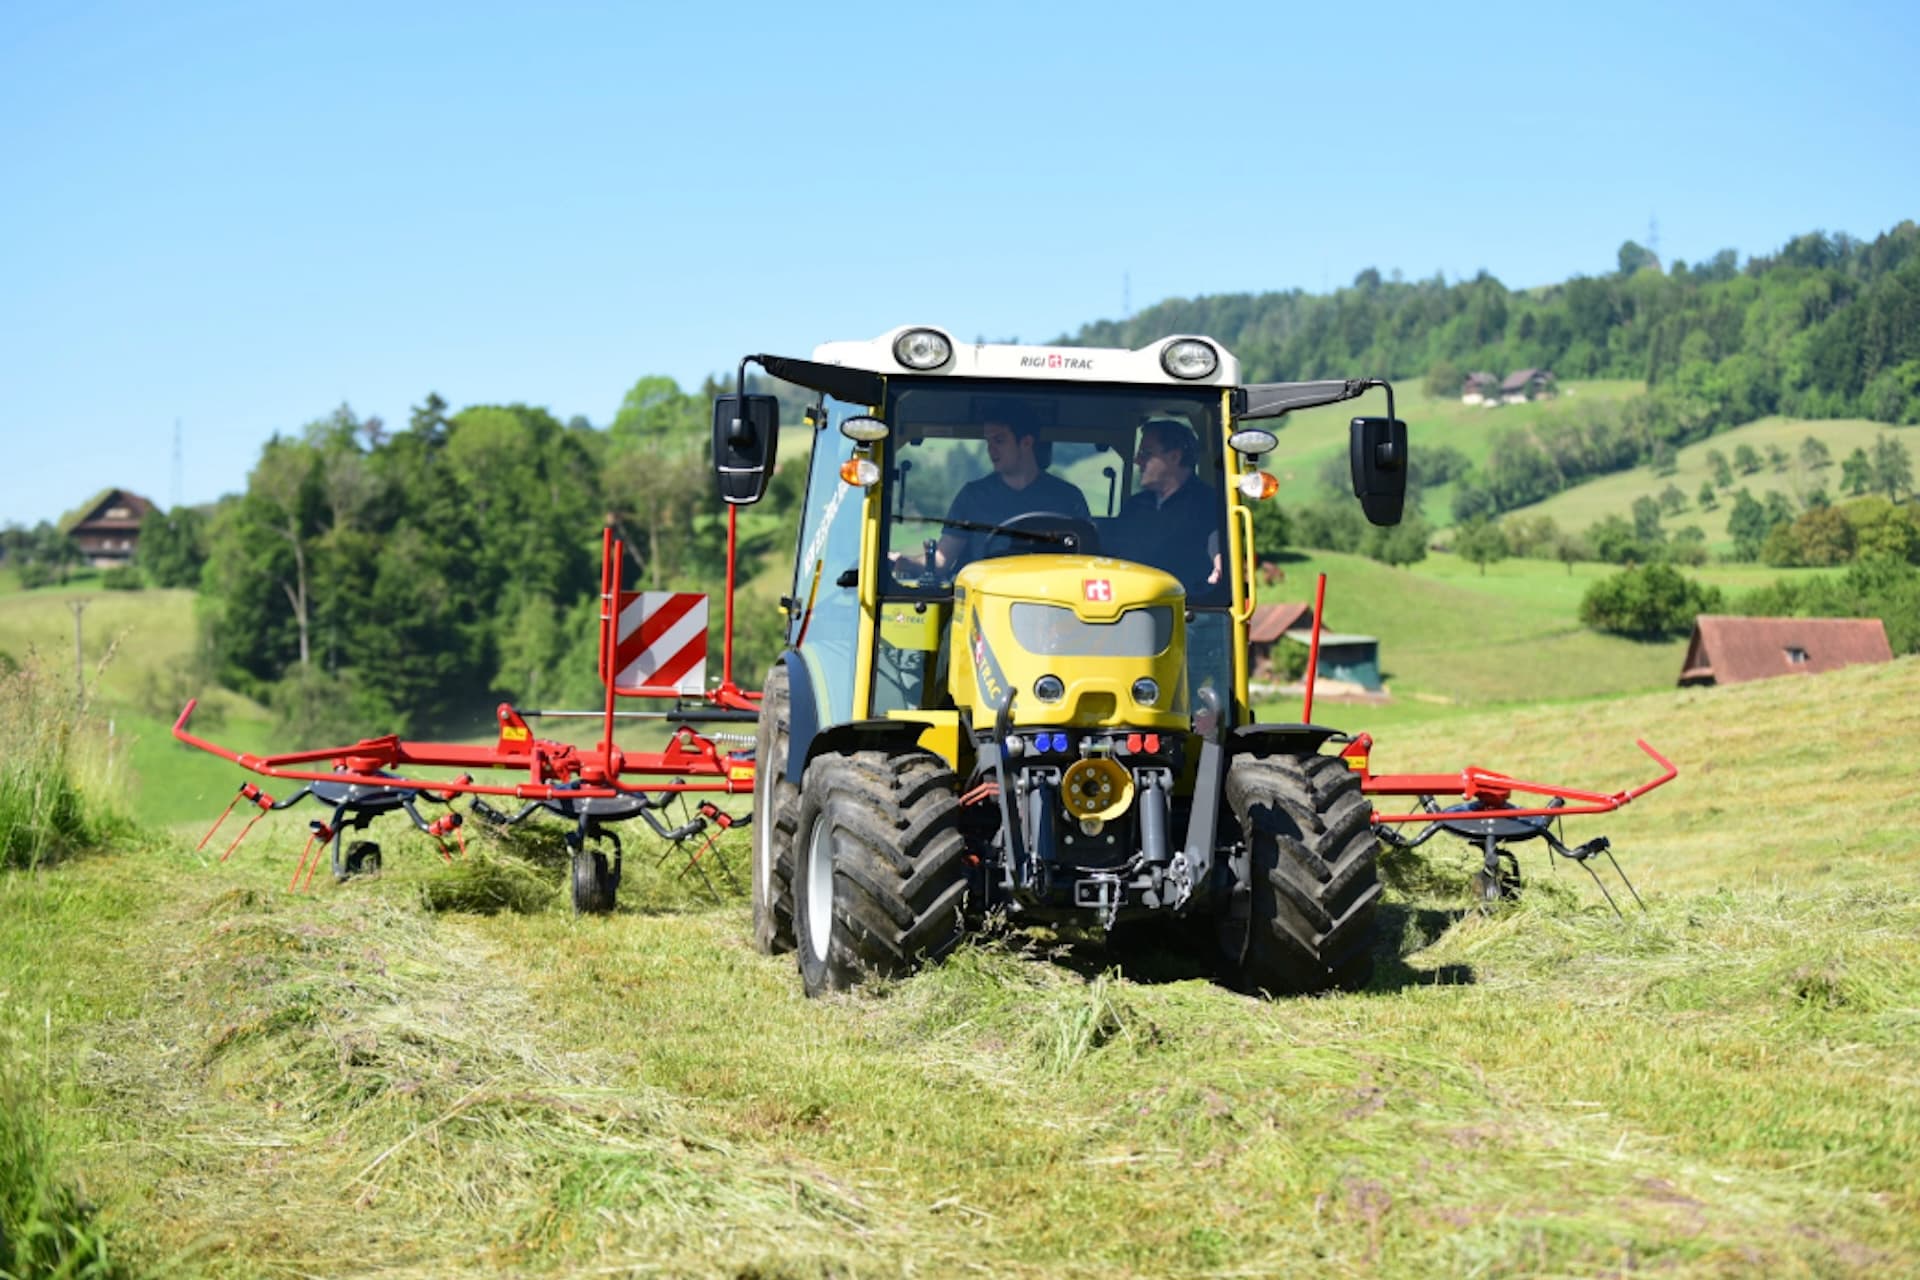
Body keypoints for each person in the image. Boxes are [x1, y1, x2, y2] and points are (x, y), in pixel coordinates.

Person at [899, 402, 1091, 575]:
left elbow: (1085, 563)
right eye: (988, 442)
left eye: (999, 440)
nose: (991, 450)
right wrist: (906, 562)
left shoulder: (1068, 498)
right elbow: (942, 559)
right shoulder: (972, 496)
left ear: (1026, 442)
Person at [1114, 416, 1223, 596]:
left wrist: (1220, 561)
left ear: (1174, 456)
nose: (1137, 461)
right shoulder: (1134, 506)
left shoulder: (1209, 504)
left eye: (1146, 454)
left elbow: (1218, 541)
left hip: (1191, 609)